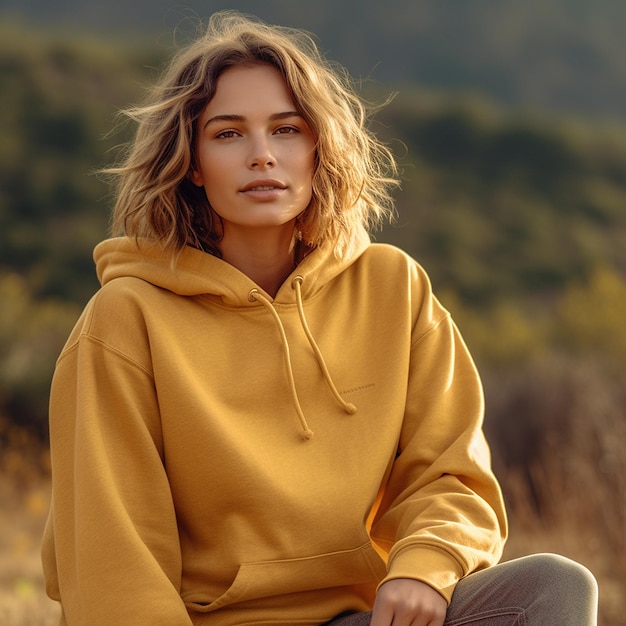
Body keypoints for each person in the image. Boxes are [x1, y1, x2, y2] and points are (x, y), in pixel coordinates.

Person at [41, 11, 598, 626]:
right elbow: (113, 559)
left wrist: (424, 564)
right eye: (228, 134)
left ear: (317, 147)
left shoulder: (393, 287)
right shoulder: (125, 318)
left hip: (363, 618)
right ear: (193, 163)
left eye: (286, 129)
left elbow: (451, 474)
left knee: (553, 588)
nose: (261, 156)